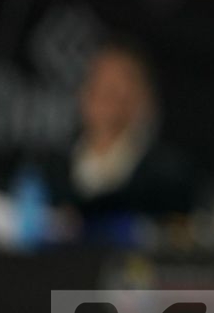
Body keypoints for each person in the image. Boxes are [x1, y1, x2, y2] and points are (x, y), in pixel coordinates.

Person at [43, 41, 196, 246]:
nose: (106, 98)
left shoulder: (165, 171)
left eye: (118, 87)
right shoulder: (53, 166)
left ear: (141, 98)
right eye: (98, 83)